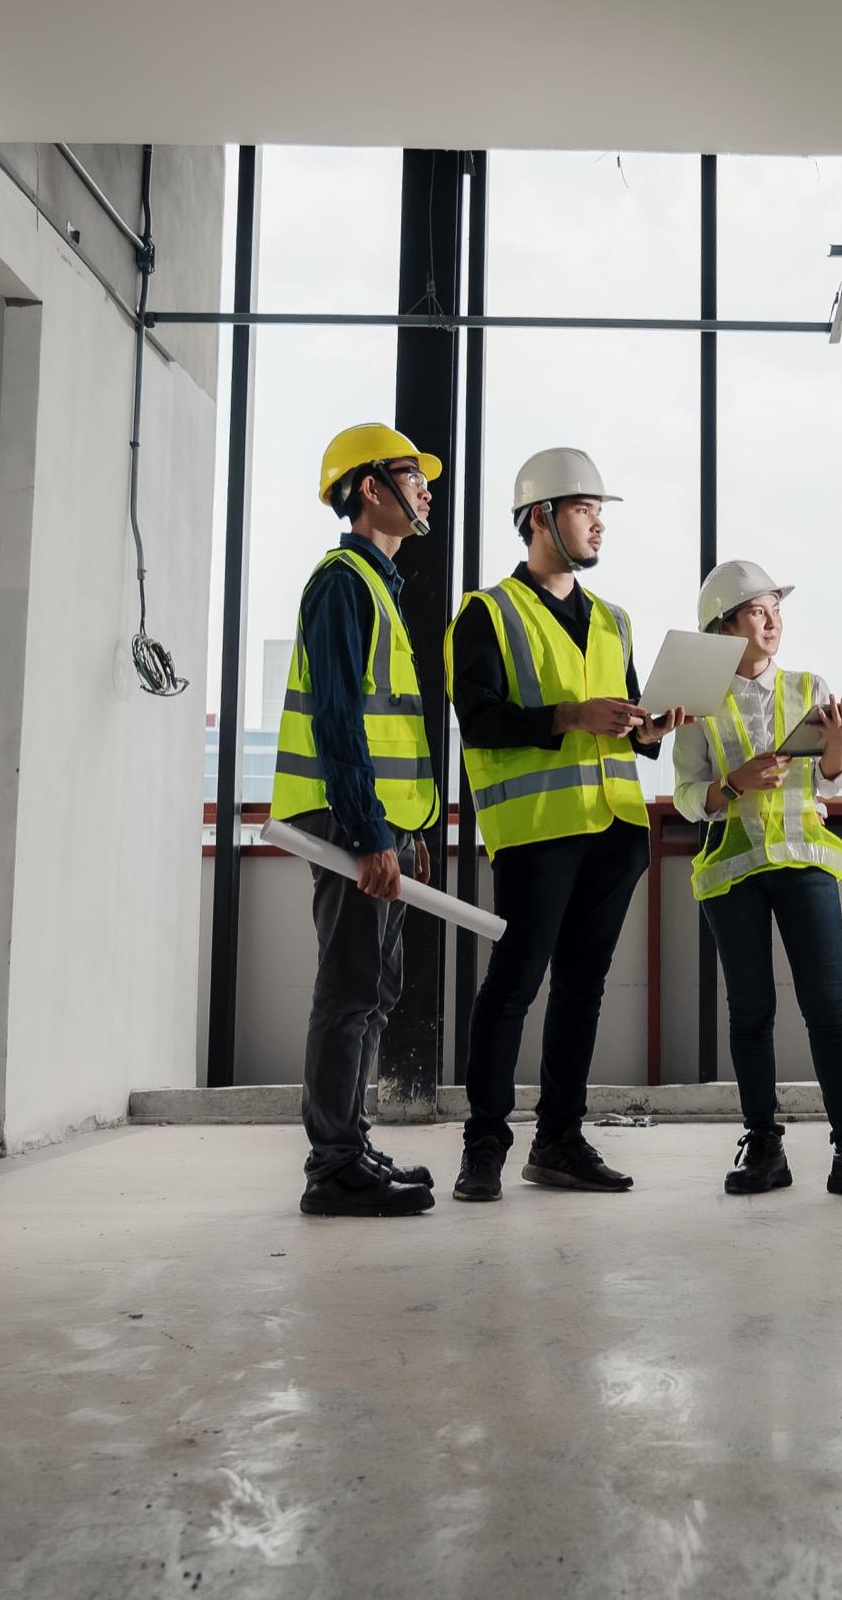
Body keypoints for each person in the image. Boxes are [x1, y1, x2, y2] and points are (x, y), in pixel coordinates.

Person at [446, 447, 689, 1201]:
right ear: (539, 516)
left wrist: (655, 726)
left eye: (600, 512)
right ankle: (484, 1143)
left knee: (582, 989)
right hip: (539, 830)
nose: (598, 525)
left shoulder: (613, 620)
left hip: (615, 828)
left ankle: (559, 1142)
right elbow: (479, 718)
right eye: (586, 509)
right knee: (513, 985)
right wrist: (571, 715)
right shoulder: (487, 612)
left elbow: (627, 726)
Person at [673, 560, 842, 1200]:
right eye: (756, 609)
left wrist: (836, 751)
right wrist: (734, 783)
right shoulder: (696, 705)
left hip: (806, 862)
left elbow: (829, 781)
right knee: (751, 1011)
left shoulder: (810, 686)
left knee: (830, 1008)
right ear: (724, 626)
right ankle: (762, 1143)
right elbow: (689, 797)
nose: (772, 620)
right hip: (735, 869)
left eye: (775, 606)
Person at [266, 423, 445, 1218]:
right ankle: (333, 1162)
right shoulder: (344, 582)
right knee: (349, 987)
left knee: (376, 985)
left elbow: (386, 730)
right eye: (413, 475)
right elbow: (339, 719)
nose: (426, 488)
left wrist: (409, 830)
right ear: (371, 488)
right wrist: (373, 833)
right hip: (349, 827)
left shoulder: (379, 585)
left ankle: (352, 1142)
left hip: (378, 828)